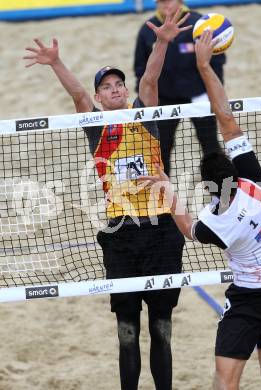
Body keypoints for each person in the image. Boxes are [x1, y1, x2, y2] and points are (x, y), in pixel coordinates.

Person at [24, 10, 191, 390]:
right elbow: (78, 94)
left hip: (163, 230)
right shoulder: (96, 126)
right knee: (127, 333)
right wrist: (56, 62)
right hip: (122, 236)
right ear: (100, 97)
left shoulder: (146, 113)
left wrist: (163, 41)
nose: (115, 89)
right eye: (108, 87)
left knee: (162, 331)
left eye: (119, 84)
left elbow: (150, 77)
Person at [140, 30, 261, 390]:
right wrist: (204, 65)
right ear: (234, 172)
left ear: (208, 188)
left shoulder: (218, 223)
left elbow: (186, 227)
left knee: (225, 381)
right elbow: (226, 119)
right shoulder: (255, 184)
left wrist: (164, 182)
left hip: (251, 301)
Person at [134, 0, 225, 175]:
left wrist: (215, 92)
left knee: (210, 144)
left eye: (170, 0)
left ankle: (223, 189)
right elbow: (140, 69)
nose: (166, 4)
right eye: (161, 1)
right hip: (165, 98)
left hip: (199, 94)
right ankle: (163, 193)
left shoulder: (200, 24)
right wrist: (145, 102)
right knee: (161, 148)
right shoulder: (148, 29)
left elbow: (217, 60)